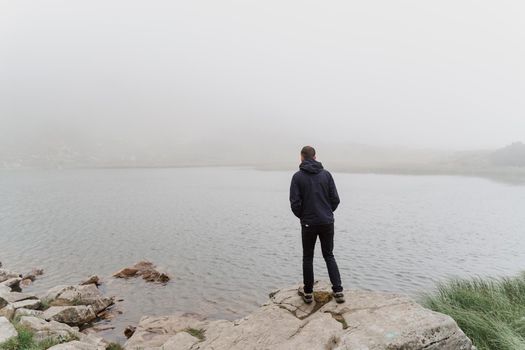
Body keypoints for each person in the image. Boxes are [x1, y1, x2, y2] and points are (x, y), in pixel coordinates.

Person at [289, 146, 345, 304]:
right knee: (329, 255)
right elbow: (335, 199)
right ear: (315, 157)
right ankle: (338, 290)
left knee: (308, 257)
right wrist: (327, 212)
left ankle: (308, 293)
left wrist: (304, 216)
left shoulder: (297, 177)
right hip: (327, 221)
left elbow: (294, 203)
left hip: (309, 223)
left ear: (301, 157)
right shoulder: (326, 175)